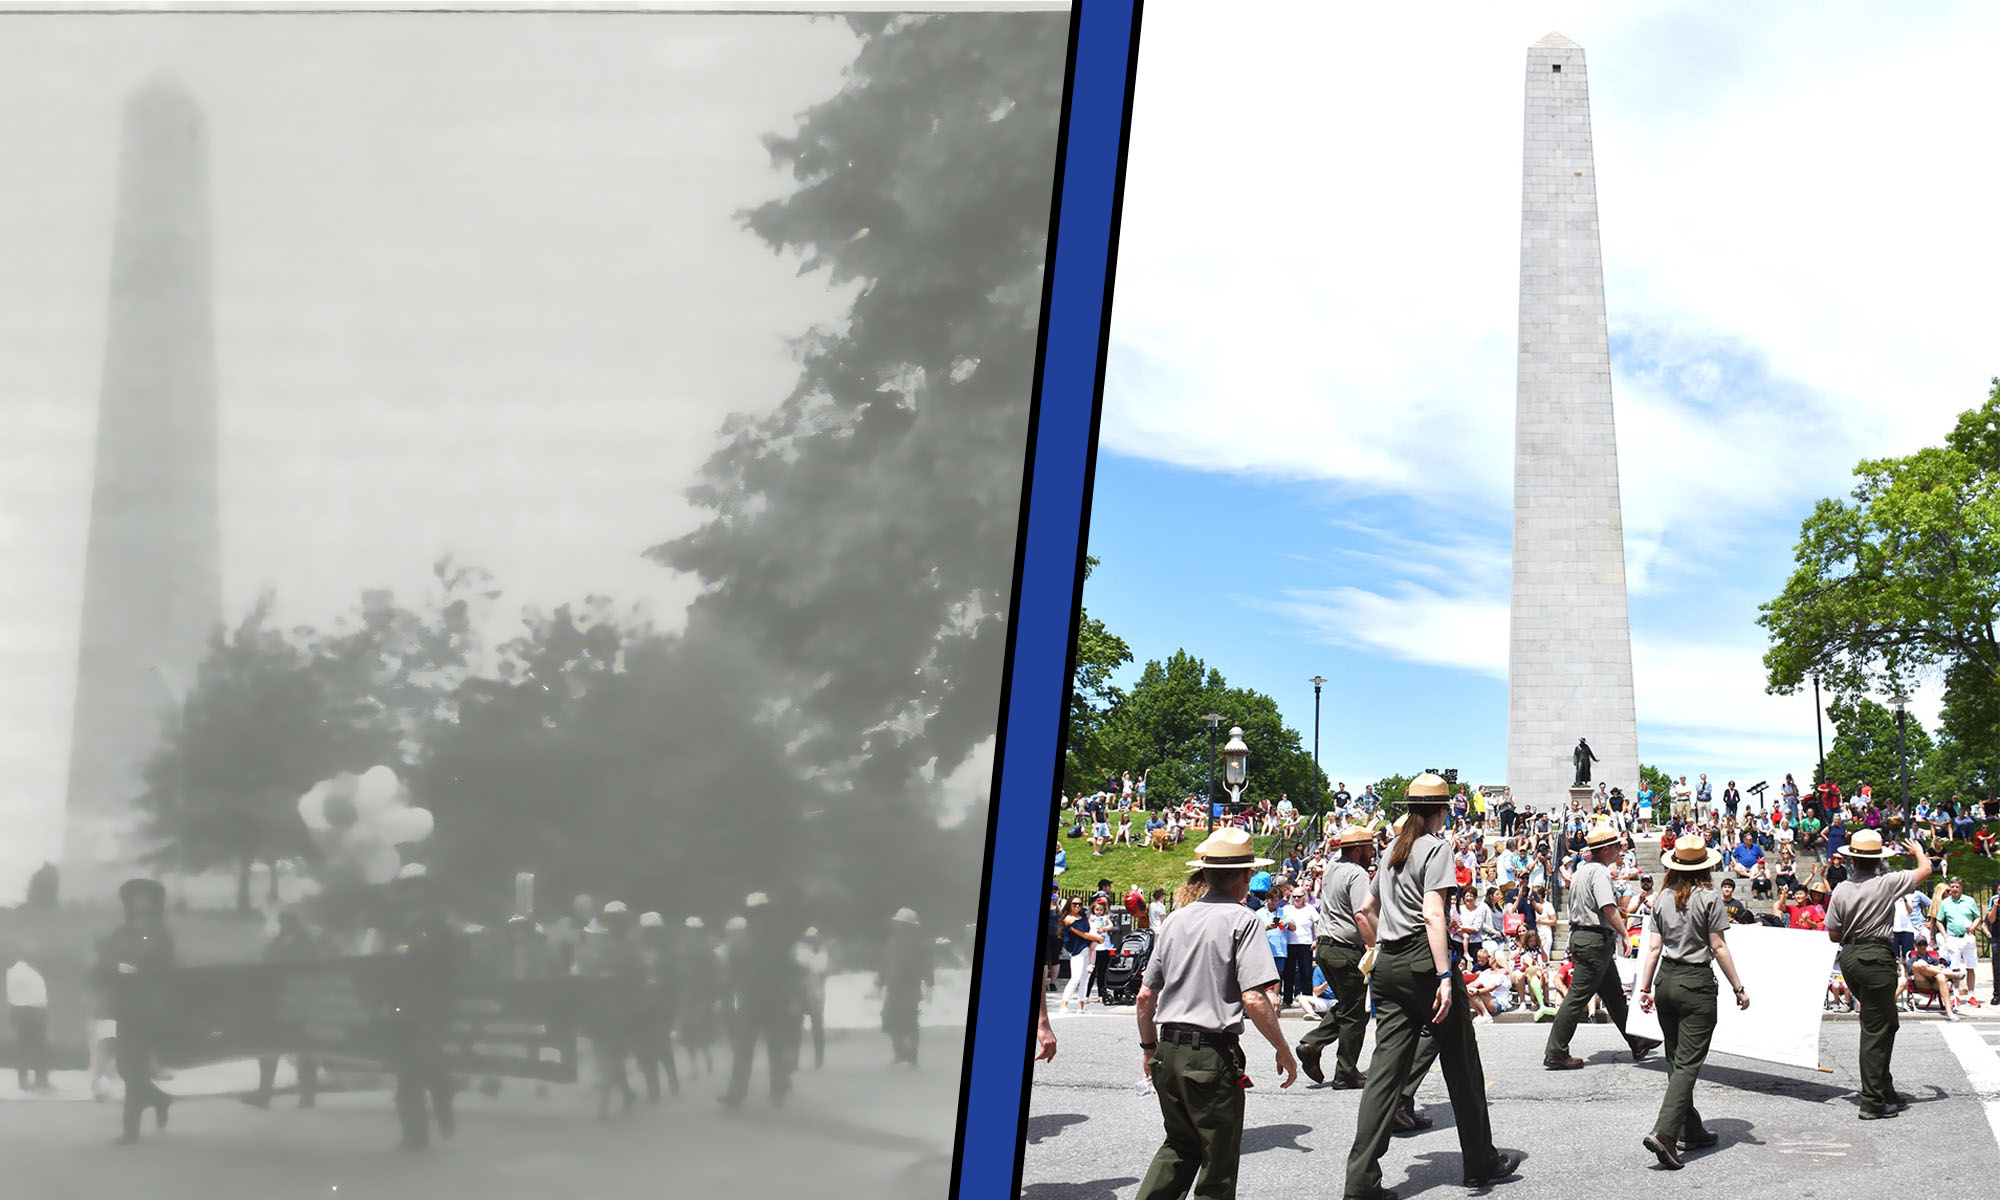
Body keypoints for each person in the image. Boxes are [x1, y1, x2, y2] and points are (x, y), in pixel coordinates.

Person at [1347, 776, 1520, 1199]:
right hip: (1425, 961)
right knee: (1462, 1064)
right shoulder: (1435, 846)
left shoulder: (1391, 848)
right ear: (1442, 810)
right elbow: (1433, 915)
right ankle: (1480, 1161)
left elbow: (1365, 909)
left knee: (1384, 1076)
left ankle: (1361, 1180)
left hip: (1388, 961)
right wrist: (1444, 974)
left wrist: (1379, 943)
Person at [1133, 827, 1297, 1200]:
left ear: (1205, 873)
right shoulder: (1243, 920)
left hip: (1169, 1050)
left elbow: (1145, 996)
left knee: (1178, 1146)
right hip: (1209, 1053)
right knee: (1217, 1165)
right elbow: (1254, 998)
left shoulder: (1175, 919)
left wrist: (1148, 1047)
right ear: (1244, 877)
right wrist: (1282, 1049)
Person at [1633, 834, 1750, 1169]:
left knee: (1675, 1058)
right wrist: (1739, 987)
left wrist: (1644, 988)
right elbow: (1718, 947)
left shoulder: (1661, 898)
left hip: (1665, 979)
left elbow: (1653, 948)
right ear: (1704, 867)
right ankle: (1666, 1133)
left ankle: (1691, 1129)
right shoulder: (1710, 898)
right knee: (1687, 1064)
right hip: (1696, 981)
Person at [1826, 828, 1932, 1118]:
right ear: (1878, 861)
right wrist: (1918, 851)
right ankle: (1872, 1101)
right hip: (1876, 957)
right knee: (1875, 1029)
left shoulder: (1842, 889)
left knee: (1886, 1021)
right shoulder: (1887, 882)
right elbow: (1926, 869)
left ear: (1853, 860)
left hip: (1851, 956)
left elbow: (1834, 934)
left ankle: (1885, 1089)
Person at [1544, 824, 1661, 1070]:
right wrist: (1624, 934)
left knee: (1615, 996)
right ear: (1606, 848)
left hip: (1590, 938)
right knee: (1577, 996)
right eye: (1617, 846)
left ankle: (1637, 1040)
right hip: (1595, 940)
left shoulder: (1583, 871)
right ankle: (1556, 1051)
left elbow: (1597, 906)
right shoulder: (1599, 873)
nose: (1620, 850)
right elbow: (1607, 907)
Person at [379, 863, 460, 1149]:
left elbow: (446, 960)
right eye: (408, 888)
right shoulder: (399, 924)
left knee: (425, 1060)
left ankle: (443, 1097)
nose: (413, 893)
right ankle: (415, 1135)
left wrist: (413, 952)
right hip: (404, 1003)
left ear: (426, 890)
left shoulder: (437, 923)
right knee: (406, 1073)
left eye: (418, 887)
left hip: (431, 1002)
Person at [1297, 825, 1378, 1088]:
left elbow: (1334, 849)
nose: (1372, 851)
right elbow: (1361, 914)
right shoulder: (1357, 874)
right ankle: (1345, 1072)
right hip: (1345, 949)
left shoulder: (1332, 866)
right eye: (1368, 847)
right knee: (1356, 1013)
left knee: (1347, 1004)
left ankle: (1313, 1044)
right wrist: (1376, 946)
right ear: (1357, 850)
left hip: (1324, 947)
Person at [95, 877, 175, 1145]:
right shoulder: (121, 933)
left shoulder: (159, 933)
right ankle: (159, 1099)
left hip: (150, 1008)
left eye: (145, 897)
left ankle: (130, 1131)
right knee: (128, 1069)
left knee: (135, 1067)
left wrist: (134, 969)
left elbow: (163, 968)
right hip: (124, 1007)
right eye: (136, 897)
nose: (140, 903)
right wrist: (115, 968)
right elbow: (105, 962)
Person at [720, 892, 803, 1107]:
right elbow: (731, 974)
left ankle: (778, 1087)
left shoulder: (779, 941)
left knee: (775, 1048)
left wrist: (793, 998)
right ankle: (737, 1091)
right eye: (756, 914)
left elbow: (791, 972)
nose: (760, 919)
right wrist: (726, 998)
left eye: (763, 914)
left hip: (775, 1002)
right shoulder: (741, 944)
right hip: (749, 1002)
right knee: (743, 1050)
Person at [249, 911, 322, 1109]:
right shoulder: (281, 942)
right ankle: (266, 1094)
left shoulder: (305, 944)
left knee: (304, 1048)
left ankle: (305, 1095)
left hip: (300, 1000)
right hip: (280, 999)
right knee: (272, 1048)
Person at [634, 912, 683, 1100]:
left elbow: (677, 979)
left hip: (662, 1006)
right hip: (642, 1006)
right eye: (648, 931)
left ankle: (672, 1080)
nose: (651, 935)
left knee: (662, 1046)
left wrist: (660, 982)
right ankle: (653, 1089)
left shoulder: (669, 953)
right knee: (645, 1049)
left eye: (654, 931)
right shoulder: (638, 952)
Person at [880, 907, 932, 1067]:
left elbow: (926, 967)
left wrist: (929, 985)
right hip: (894, 989)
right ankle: (900, 1053)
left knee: (909, 1022)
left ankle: (911, 1056)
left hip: (909, 989)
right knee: (891, 1020)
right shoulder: (892, 943)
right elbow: (885, 965)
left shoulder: (918, 944)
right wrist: (881, 982)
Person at [676, 916, 719, 1076]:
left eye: (693, 931)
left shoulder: (706, 950)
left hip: (701, 995)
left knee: (701, 1031)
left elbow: (713, 974)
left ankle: (707, 1058)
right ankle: (694, 1064)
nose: (691, 934)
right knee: (688, 1033)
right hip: (687, 995)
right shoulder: (682, 950)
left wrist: (710, 997)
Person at [1932, 877, 1983, 1010]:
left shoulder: (1969, 901)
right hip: (1953, 938)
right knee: (1954, 969)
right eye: (1952, 887)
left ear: (1961, 888)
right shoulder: (1945, 903)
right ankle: (1955, 997)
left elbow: (1977, 916)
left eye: (1957, 887)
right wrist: (1944, 935)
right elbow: (1939, 920)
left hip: (1967, 937)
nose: (1954, 889)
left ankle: (1971, 995)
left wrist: (1973, 927)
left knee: (1970, 967)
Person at [7, 944, 51, 1092]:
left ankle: (41, 1078)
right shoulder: (18, 971)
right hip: (25, 1010)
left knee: (40, 1046)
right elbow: (17, 995)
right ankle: (24, 1080)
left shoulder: (31, 970)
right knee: (26, 1046)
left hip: (34, 1011)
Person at [795, 926, 830, 1071]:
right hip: (802, 993)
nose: (812, 942)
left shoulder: (822, 953)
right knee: (796, 1027)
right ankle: (794, 1059)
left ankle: (819, 1058)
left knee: (817, 1027)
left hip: (815, 994)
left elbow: (821, 971)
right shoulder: (800, 951)